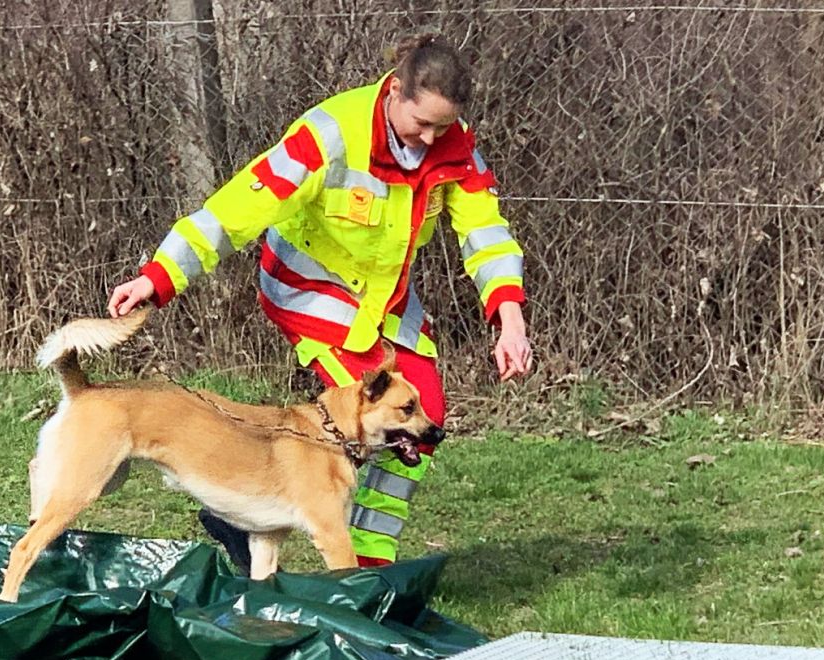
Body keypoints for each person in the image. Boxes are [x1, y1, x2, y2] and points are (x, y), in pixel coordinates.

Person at [107, 32, 532, 572]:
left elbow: (486, 234)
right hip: (309, 289)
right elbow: (239, 207)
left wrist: (510, 321)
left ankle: (365, 560)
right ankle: (333, 554)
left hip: (385, 300)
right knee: (362, 415)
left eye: (442, 128)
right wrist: (159, 275)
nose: (429, 139)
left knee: (422, 418)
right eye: (420, 123)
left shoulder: (457, 147)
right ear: (394, 90)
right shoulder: (330, 132)